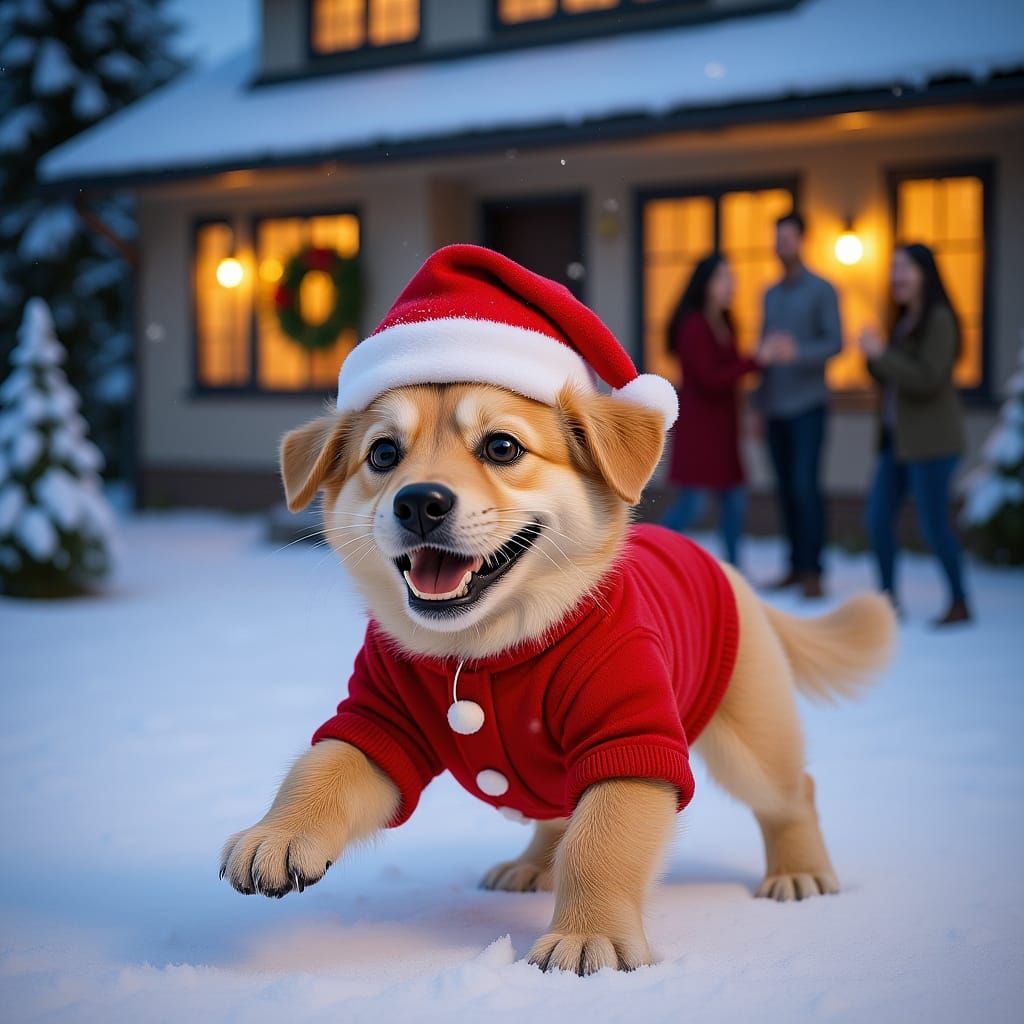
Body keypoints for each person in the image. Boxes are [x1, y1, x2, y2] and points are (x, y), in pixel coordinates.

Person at [859, 243, 970, 626]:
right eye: (893, 268)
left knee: (934, 524)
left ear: (925, 273)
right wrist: (872, 357)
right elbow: (891, 377)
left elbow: (927, 379)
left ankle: (959, 600)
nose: (897, 276)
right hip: (896, 443)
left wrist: (882, 356)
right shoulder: (904, 320)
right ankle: (889, 602)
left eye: (905, 268)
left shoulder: (939, 319)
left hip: (932, 442)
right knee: (876, 519)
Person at [662, 253, 775, 565]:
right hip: (700, 430)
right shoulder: (694, 325)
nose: (731, 284)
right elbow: (710, 378)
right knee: (693, 505)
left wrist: (750, 409)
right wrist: (757, 361)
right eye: (724, 277)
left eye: (731, 277)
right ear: (706, 284)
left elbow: (730, 376)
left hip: (724, 429)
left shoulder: (726, 322)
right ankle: (647, 555)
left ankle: (733, 573)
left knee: (735, 503)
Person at [754, 211, 842, 599]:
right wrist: (756, 404)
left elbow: (835, 343)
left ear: (802, 241)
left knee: (807, 488)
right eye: (777, 239)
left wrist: (798, 352)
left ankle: (814, 571)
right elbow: (763, 354)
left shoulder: (823, 290)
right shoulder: (769, 294)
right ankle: (794, 566)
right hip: (774, 408)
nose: (781, 246)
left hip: (809, 407)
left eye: (787, 239)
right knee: (786, 489)